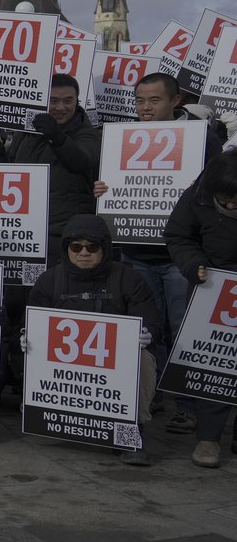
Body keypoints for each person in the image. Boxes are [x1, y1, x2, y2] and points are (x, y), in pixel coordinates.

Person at [92, 72, 217, 435]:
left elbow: (219, 191)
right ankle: (154, 392)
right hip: (135, 253)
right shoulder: (122, 137)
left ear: (175, 101)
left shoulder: (202, 138)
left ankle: (187, 407)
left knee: (183, 330)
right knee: (148, 330)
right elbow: (107, 185)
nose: (145, 107)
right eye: (140, 100)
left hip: (180, 256)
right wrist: (102, 189)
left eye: (154, 100)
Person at [26, 213, 160, 466]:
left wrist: (148, 333)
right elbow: (32, 323)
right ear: (66, 249)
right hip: (65, 363)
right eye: (76, 247)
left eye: (92, 246)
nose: (84, 253)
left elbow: (151, 321)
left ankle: (132, 430)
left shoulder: (129, 278)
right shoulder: (49, 280)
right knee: (28, 350)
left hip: (114, 361)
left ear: (105, 248)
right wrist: (27, 337)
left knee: (143, 359)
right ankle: (47, 414)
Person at [165, 150, 237, 468]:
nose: (230, 207)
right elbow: (178, 235)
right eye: (224, 200)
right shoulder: (197, 194)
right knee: (214, 362)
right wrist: (193, 264)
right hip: (213, 286)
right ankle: (208, 438)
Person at [7, 73, 101, 263]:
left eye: (68, 101)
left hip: (66, 234)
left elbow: (82, 161)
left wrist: (56, 137)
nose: (60, 107)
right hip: (26, 231)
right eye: (54, 101)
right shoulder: (25, 134)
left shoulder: (88, 134)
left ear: (77, 101)